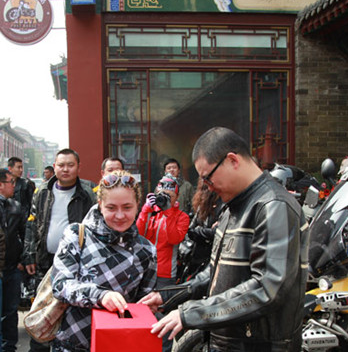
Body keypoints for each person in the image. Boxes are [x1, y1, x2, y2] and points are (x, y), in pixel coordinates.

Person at [140, 127, 309, 351]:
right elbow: (217, 272)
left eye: (208, 178)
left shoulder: (273, 206)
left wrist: (191, 313)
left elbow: (268, 288)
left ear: (232, 160)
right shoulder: (233, 207)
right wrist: (169, 296)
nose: (208, 187)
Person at [51, 170, 157, 352]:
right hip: (72, 341)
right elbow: (60, 285)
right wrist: (101, 296)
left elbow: (141, 305)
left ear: (137, 205)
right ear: (100, 205)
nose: (120, 215)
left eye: (127, 207)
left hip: (118, 343)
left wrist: (151, 305)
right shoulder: (76, 234)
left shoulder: (146, 250)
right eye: (111, 208)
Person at [23, 148, 96, 352]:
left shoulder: (87, 194)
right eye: (61, 165)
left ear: (78, 167)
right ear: (54, 166)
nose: (65, 169)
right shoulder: (42, 192)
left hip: (76, 265)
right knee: (42, 309)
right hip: (46, 261)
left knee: (68, 314)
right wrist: (29, 254)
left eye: (70, 165)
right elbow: (32, 224)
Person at [137, 174, 189, 352]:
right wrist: (145, 210)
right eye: (161, 194)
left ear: (176, 199)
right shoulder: (152, 214)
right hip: (145, 272)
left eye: (169, 196)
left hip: (165, 274)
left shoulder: (182, 216)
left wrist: (167, 213)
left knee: (162, 318)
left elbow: (175, 238)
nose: (164, 198)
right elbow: (138, 235)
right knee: (143, 314)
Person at [0, 170, 18, 352]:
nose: (14, 185)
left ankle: (10, 347)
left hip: (13, 267)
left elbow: (21, 233)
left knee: (11, 312)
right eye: (11, 182)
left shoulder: (16, 207)